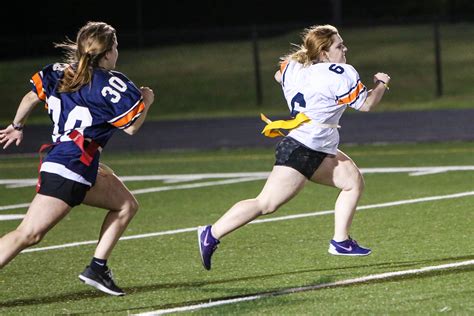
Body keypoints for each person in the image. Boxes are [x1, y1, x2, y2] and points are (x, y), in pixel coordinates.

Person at [198, 24, 390, 270]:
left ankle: (340, 241)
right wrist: (381, 83)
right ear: (323, 53)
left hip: (313, 145)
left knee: (352, 182)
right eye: (339, 46)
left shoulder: (294, 67)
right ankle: (211, 233)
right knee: (266, 204)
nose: (345, 49)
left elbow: (279, 76)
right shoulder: (340, 72)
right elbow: (366, 105)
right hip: (304, 148)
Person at [0, 21, 154, 295]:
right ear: (106, 53)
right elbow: (131, 127)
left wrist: (17, 125)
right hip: (70, 166)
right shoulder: (111, 83)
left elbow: (31, 96)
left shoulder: (59, 72)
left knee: (126, 204)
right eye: (115, 47)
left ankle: (97, 267)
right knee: (29, 234)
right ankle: (97, 267)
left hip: (76, 164)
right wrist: (147, 102)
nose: (117, 52)